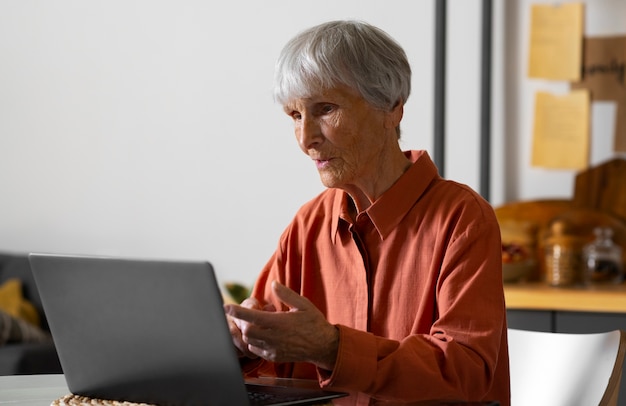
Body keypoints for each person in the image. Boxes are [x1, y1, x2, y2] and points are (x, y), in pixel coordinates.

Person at [224, 20, 510, 405]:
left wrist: (331, 348)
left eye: (325, 109)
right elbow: (274, 363)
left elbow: (464, 373)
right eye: (295, 115)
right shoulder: (308, 224)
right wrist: (243, 342)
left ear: (392, 109)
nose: (307, 138)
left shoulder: (462, 219)